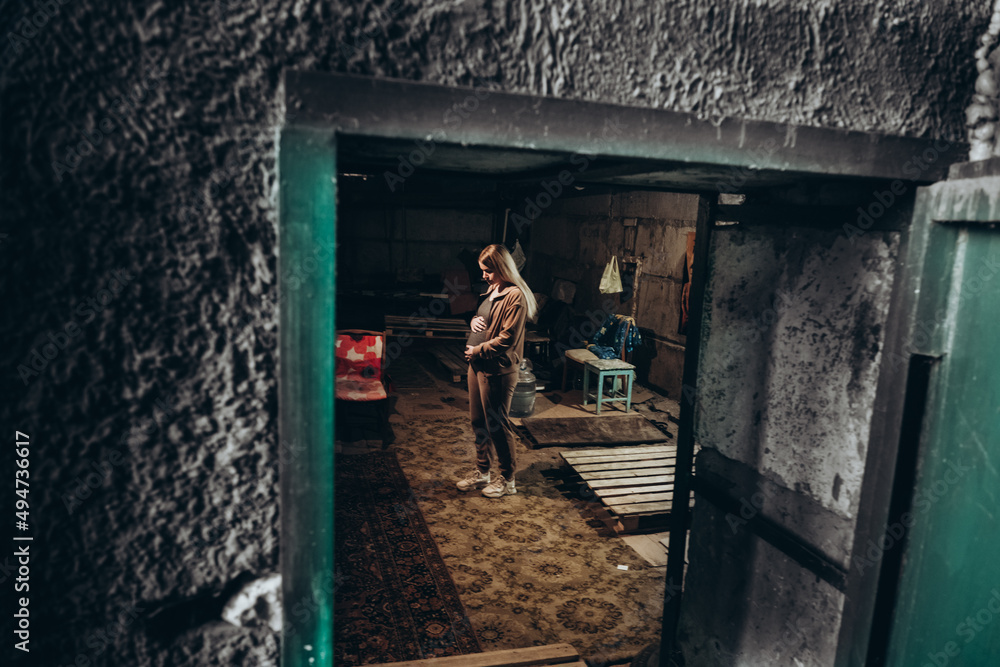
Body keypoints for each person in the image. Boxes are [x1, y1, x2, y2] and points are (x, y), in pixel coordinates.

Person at [456, 244, 537, 498]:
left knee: (497, 424)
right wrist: (473, 321)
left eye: (488, 271)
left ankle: (507, 479)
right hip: (477, 365)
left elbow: (507, 339)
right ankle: (482, 472)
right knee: (478, 421)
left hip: (498, 369)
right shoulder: (493, 288)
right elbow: (486, 319)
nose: (484, 276)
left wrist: (477, 351)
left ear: (503, 268)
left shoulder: (516, 296)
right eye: (483, 270)